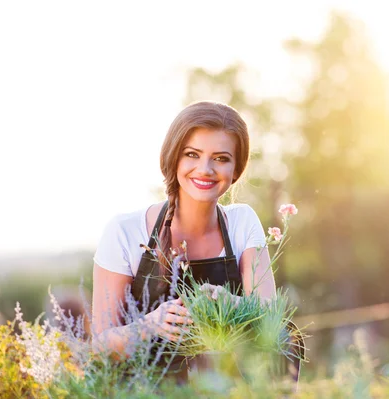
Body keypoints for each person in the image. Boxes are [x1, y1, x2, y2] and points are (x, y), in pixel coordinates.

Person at [91, 101, 276, 376]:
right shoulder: (124, 232)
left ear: (236, 169)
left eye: (221, 158)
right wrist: (151, 325)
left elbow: (272, 323)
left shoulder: (242, 222)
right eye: (192, 154)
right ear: (173, 157)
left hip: (226, 389)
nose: (205, 169)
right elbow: (100, 347)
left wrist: (232, 305)